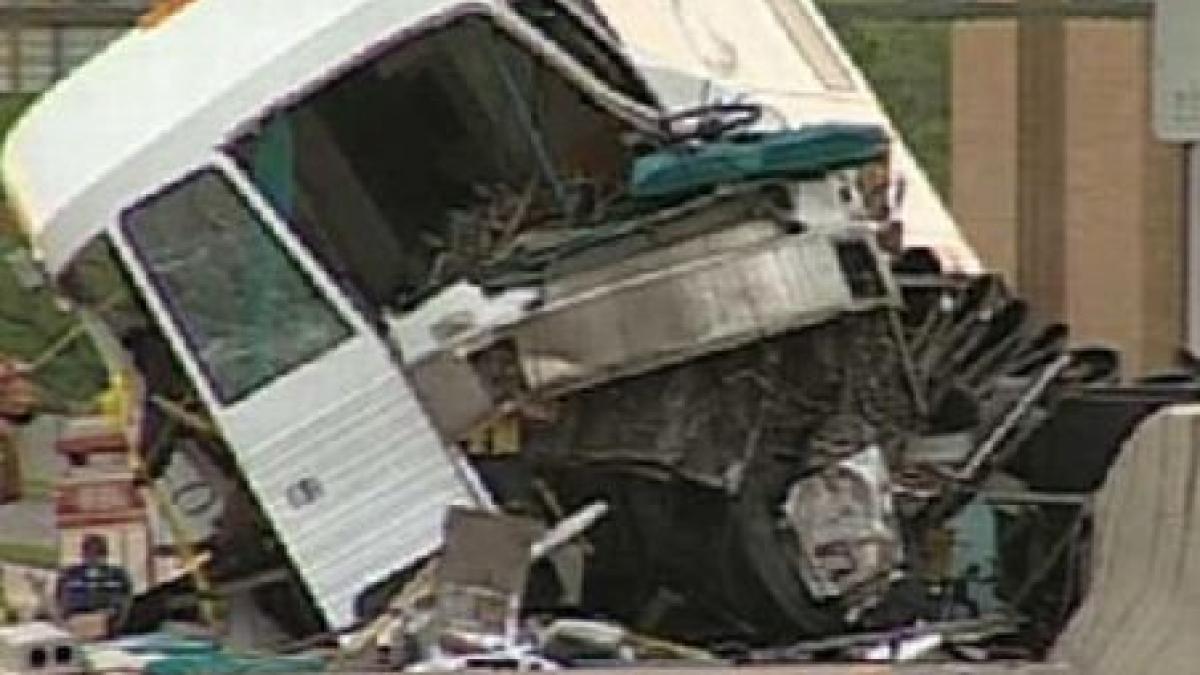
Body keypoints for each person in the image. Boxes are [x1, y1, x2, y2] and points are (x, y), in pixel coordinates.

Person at [54, 534, 133, 637]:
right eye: (89, 553)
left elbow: (126, 601)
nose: (93, 558)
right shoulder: (70, 574)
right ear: (83, 554)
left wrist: (116, 623)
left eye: (98, 553)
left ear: (105, 555)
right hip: (77, 622)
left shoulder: (118, 575)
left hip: (108, 622)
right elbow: (61, 600)